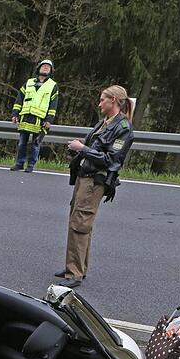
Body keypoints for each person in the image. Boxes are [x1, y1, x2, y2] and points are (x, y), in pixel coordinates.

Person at [56, 85, 135, 288]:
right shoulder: (105, 123)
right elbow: (98, 148)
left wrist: (82, 149)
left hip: (95, 181)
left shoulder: (123, 128)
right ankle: (75, 267)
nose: (99, 104)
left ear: (114, 101)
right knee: (78, 221)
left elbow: (110, 159)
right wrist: (83, 148)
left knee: (80, 224)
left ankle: (75, 273)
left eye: (103, 100)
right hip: (85, 177)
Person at [10, 59, 59, 173]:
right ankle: (19, 163)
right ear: (38, 68)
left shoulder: (53, 85)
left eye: (48, 67)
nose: (46, 68)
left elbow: (53, 104)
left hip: (40, 119)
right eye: (44, 66)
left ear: (51, 71)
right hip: (26, 117)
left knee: (36, 143)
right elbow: (19, 98)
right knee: (22, 142)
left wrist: (49, 119)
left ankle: (31, 165)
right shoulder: (29, 82)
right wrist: (15, 113)